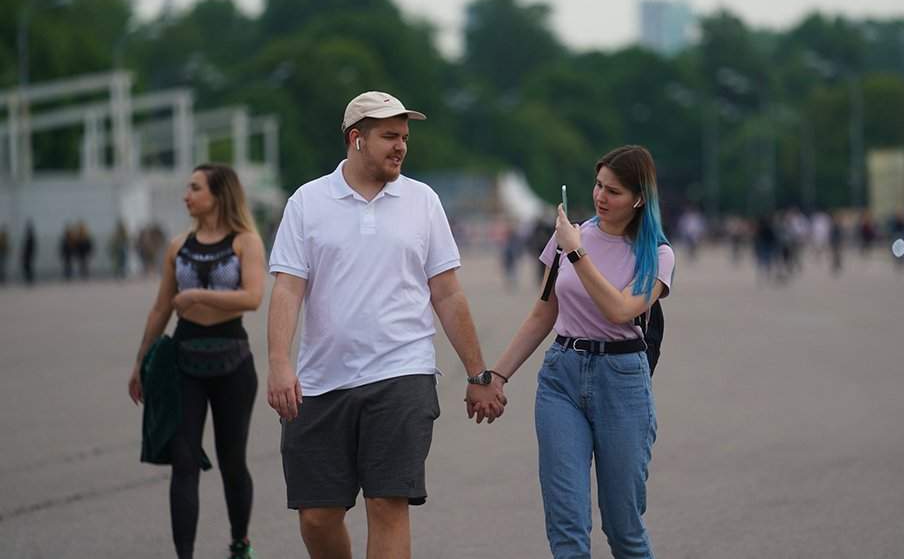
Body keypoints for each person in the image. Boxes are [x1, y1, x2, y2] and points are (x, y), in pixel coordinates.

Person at [265, 90, 504, 559]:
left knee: (387, 504)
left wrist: (479, 375)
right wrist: (278, 362)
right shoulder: (307, 202)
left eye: (405, 137)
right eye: (389, 136)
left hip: (402, 374)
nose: (401, 146)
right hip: (321, 381)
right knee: (317, 517)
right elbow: (288, 289)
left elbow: (448, 292)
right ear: (356, 139)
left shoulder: (423, 201)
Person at [488, 145, 675, 558]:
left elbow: (620, 310)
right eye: (598, 185)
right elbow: (542, 313)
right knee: (567, 525)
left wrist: (576, 250)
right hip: (562, 377)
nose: (600, 197)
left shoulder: (657, 255)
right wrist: (496, 375)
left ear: (639, 198)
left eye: (614, 191)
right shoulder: (569, 236)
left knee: (623, 526)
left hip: (622, 381)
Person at [128, 164, 266, 559]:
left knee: (232, 460)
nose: (186, 195)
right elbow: (160, 309)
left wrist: (199, 297)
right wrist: (140, 362)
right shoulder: (179, 246)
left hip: (233, 362)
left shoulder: (245, 242)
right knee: (183, 461)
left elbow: (252, 297)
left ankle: (240, 543)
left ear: (219, 195)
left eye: (195, 188)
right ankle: (184, 554)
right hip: (183, 362)